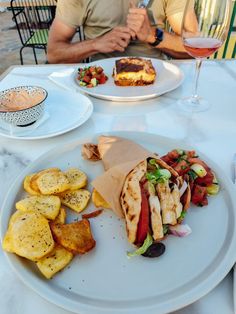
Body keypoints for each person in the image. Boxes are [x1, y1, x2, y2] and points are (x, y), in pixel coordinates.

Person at [47, 0, 194, 64]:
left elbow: (194, 49)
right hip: (101, 84)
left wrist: (152, 35)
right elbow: (54, 54)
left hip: (157, 83)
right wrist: (96, 44)